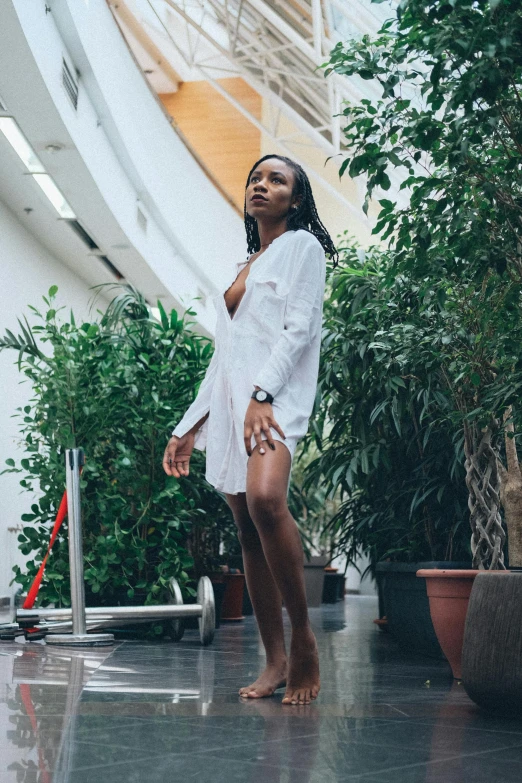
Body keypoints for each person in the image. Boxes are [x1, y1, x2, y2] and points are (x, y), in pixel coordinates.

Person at [163, 154, 338, 705]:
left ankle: (304, 641)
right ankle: (275, 657)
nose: (261, 185)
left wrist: (263, 394)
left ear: (297, 198)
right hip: (231, 407)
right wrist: (188, 426)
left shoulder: (301, 249)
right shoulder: (246, 262)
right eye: (255, 178)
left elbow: (301, 325)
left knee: (266, 499)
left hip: (272, 400)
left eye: (277, 179)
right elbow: (224, 358)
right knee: (246, 530)